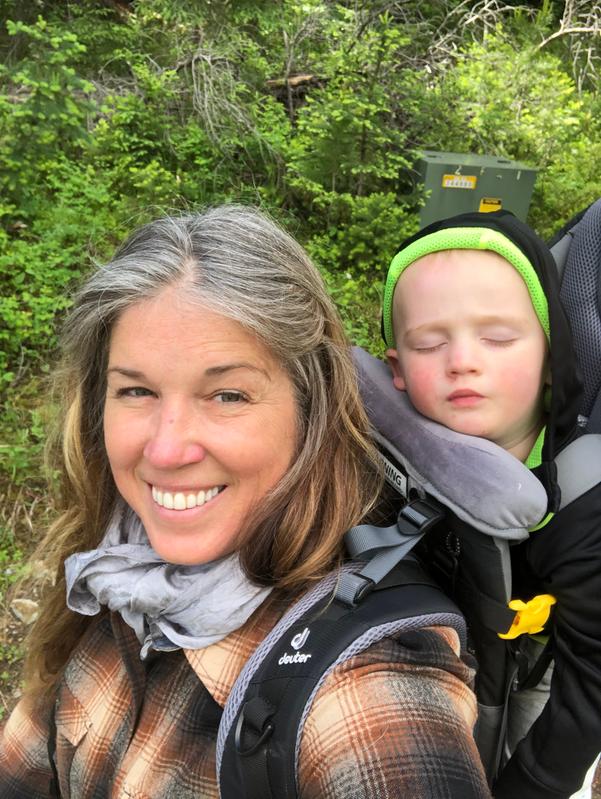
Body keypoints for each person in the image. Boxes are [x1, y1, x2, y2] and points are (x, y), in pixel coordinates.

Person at [0, 205, 490, 798]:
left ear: (312, 413)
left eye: (228, 395)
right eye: (137, 390)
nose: (166, 448)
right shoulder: (115, 567)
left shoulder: (365, 687)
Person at [381, 210, 601, 799]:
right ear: (396, 369)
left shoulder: (585, 502)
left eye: (498, 338)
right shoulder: (390, 446)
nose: (462, 360)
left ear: (553, 358)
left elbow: (592, 681)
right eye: (430, 343)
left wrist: (535, 782)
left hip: (549, 664)